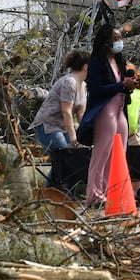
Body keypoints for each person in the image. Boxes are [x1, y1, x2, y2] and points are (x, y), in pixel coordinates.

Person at [79, 23, 135, 206]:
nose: (119, 43)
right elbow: (97, 90)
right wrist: (121, 86)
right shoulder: (96, 63)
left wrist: (130, 85)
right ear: (106, 42)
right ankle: (94, 194)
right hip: (106, 109)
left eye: (120, 39)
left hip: (120, 108)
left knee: (119, 152)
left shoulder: (119, 61)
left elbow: (121, 83)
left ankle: (114, 191)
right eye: (115, 39)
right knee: (102, 152)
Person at [33, 50, 89, 187]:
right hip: (48, 126)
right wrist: (73, 137)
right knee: (65, 157)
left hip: (63, 127)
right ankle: (54, 193)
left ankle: (64, 194)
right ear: (86, 66)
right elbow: (67, 112)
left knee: (73, 158)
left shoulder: (84, 85)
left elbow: (81, 113)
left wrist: (87, 134)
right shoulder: (69, 82)